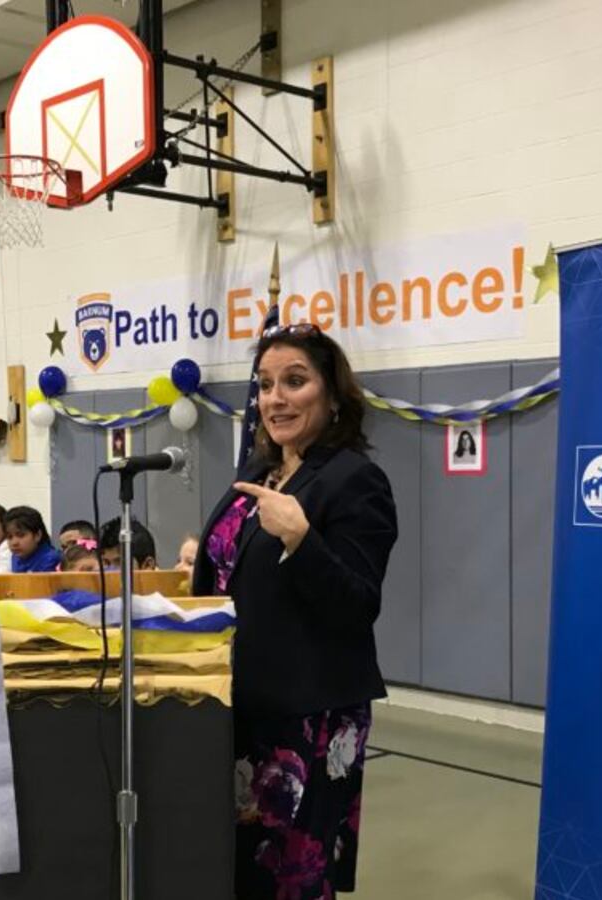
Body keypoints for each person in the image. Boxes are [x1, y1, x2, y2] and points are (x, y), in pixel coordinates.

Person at [192, 323, 398, 900]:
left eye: (294, 381)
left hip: (308, 716)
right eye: (264, 384)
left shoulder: (355, 479)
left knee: (291, 878)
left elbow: (358, 604)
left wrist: (301, 541)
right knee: (243, 871)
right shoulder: (259, 474)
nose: (275, 398)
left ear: (333, 397)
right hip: (243, 704)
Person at [3, 506, 62, 573]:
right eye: (9, 537)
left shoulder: (50, 559)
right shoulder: (15, 557)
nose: (14, 543)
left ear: (37, 535)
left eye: (21, 535)